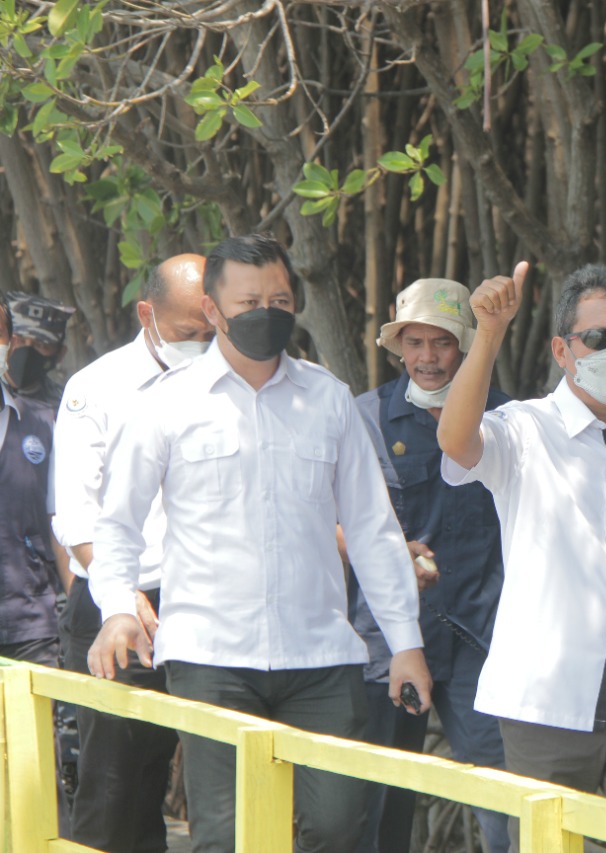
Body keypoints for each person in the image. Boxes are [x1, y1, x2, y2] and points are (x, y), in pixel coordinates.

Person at [85, 233, 433, 853]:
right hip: (212, 656)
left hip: (321, 656)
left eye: (278, 298)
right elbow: (116, 522)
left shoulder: (326, 398)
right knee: (229, 835)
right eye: (248, 302)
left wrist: (405, 642)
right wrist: (115, 606)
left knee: (341, 826)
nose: (266, 312)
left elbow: (373, 529)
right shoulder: (168, 405)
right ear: (213, 311)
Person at [437, 263, 606, 848]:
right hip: (545, 704)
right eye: (600, 337)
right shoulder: (525, 429)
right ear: (562, 349)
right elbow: (455, 442)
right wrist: (489, 335)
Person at [53, 254, 214, 853]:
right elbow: (77, 517)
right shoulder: (96, 387)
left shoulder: (245, 381)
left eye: (210, 332)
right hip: (118, 603)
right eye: (185, 334)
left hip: (213, 604)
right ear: (147, 313)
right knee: (117, 790)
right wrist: (124, 600)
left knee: (223, 778)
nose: (201, 346)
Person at [349, 277, 509, 853]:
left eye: (440, 343)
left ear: (465, 345)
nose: (427, 358)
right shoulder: (362, 418)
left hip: (481, 634)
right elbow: (330, 521)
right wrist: (392, 555)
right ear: (398, 349)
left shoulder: (510, 420)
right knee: (376, 799)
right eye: (413, 343)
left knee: (504, 796)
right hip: (390, 636)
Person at [0, 290, 77, 824]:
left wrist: (78, 610)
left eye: (42, 346)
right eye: (20, 339)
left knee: (40, 761)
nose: (29, 351)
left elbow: (67, 528)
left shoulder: (61, 414)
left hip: (33, 614)